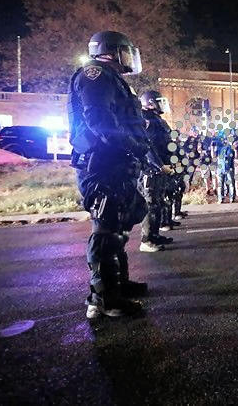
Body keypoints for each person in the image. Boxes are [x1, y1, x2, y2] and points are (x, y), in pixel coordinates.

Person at [68, 30, 153, 318]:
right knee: (105, 230)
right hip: (102, 164)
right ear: (111, 51)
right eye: (125, 52)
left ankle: (118, 284)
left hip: (115, 162)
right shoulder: (95, 74)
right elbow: (99, 119)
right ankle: (105, 299)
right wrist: (130, 145)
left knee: (119, 226)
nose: (128, 58)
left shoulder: (111, 78)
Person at [138, 90, 175, 251]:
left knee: (158, 202)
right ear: (151, 103)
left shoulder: (156, 120)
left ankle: (154, 234)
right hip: (151, 169)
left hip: (160, 168)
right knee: (151, 204)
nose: (162, 105)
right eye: (159, 101)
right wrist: (159, 165)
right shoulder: (146, 119)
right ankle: (146, 240)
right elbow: (148, 146)